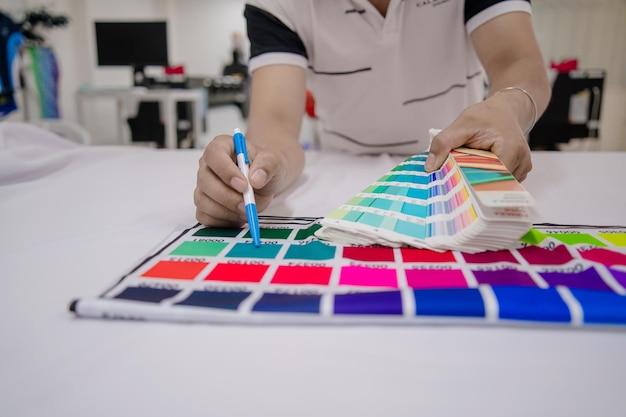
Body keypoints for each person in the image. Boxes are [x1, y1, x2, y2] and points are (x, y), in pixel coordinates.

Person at [194, 0, 551, 228]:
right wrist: (261, 166)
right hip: (345, 188)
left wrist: (508, 106)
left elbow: (518, 62)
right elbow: (275, 124)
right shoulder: (276, 5)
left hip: (456, 177)